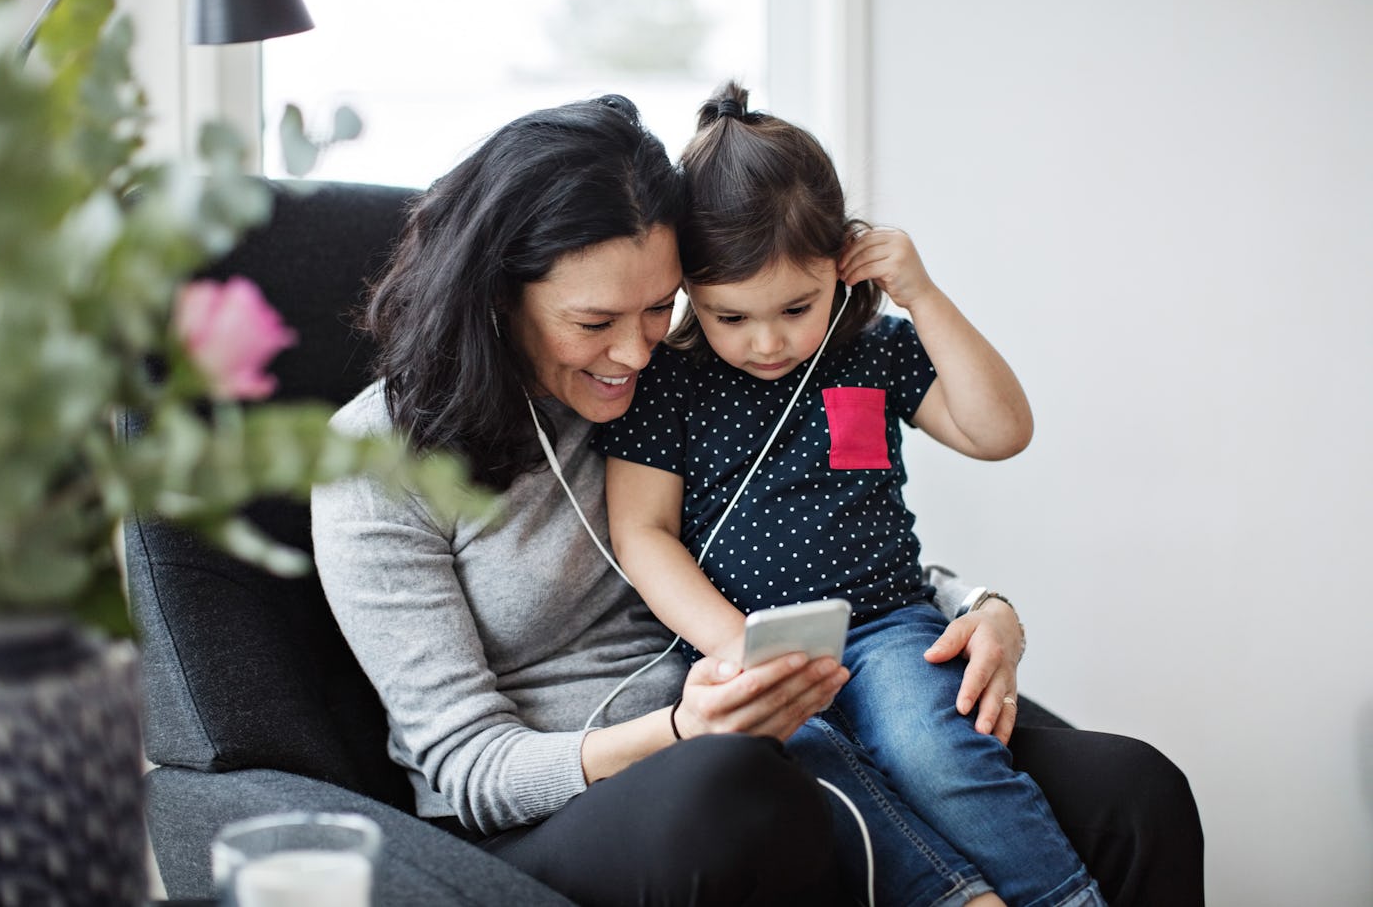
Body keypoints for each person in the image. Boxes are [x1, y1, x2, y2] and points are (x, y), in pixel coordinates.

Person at [311, 92, 1204, 907]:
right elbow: (469, 765)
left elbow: (812, 524)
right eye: (594, 324)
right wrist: (680, 727)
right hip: (583, 791)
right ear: (495, 298)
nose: (636, 351)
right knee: (740, 793)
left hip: (770, 697)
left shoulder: (664, 380)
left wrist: (980, 607)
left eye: (660, 308)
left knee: (1133, 787)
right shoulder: (374, 469)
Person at [597, 80, 1105, 906]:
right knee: (817, 773)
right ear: (689, 289)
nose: (767, 341)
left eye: (796, 307)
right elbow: (643, 533)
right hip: (745, 645)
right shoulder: (670, 383)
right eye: (731, 317)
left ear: (843, 264)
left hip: (887, 626)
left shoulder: (870, 351)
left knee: (934, 750)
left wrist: (923, 295)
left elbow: (1000, 430)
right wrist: (734, 646)